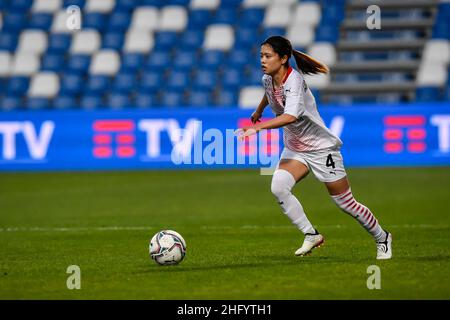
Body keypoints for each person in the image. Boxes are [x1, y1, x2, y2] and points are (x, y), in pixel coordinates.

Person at [236, 36, 392, 259]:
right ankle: (311, 234)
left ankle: (382, 237)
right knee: (279, 187)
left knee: (345, 203)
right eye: (261, 55)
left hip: (321, 148)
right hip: (295, 148)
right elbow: (269, 94)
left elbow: (289, 116)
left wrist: (258, 129)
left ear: (283, 59)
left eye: (268, 56)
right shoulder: (267, 79)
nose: (262, 60)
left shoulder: (295, 82)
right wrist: (259, 111)